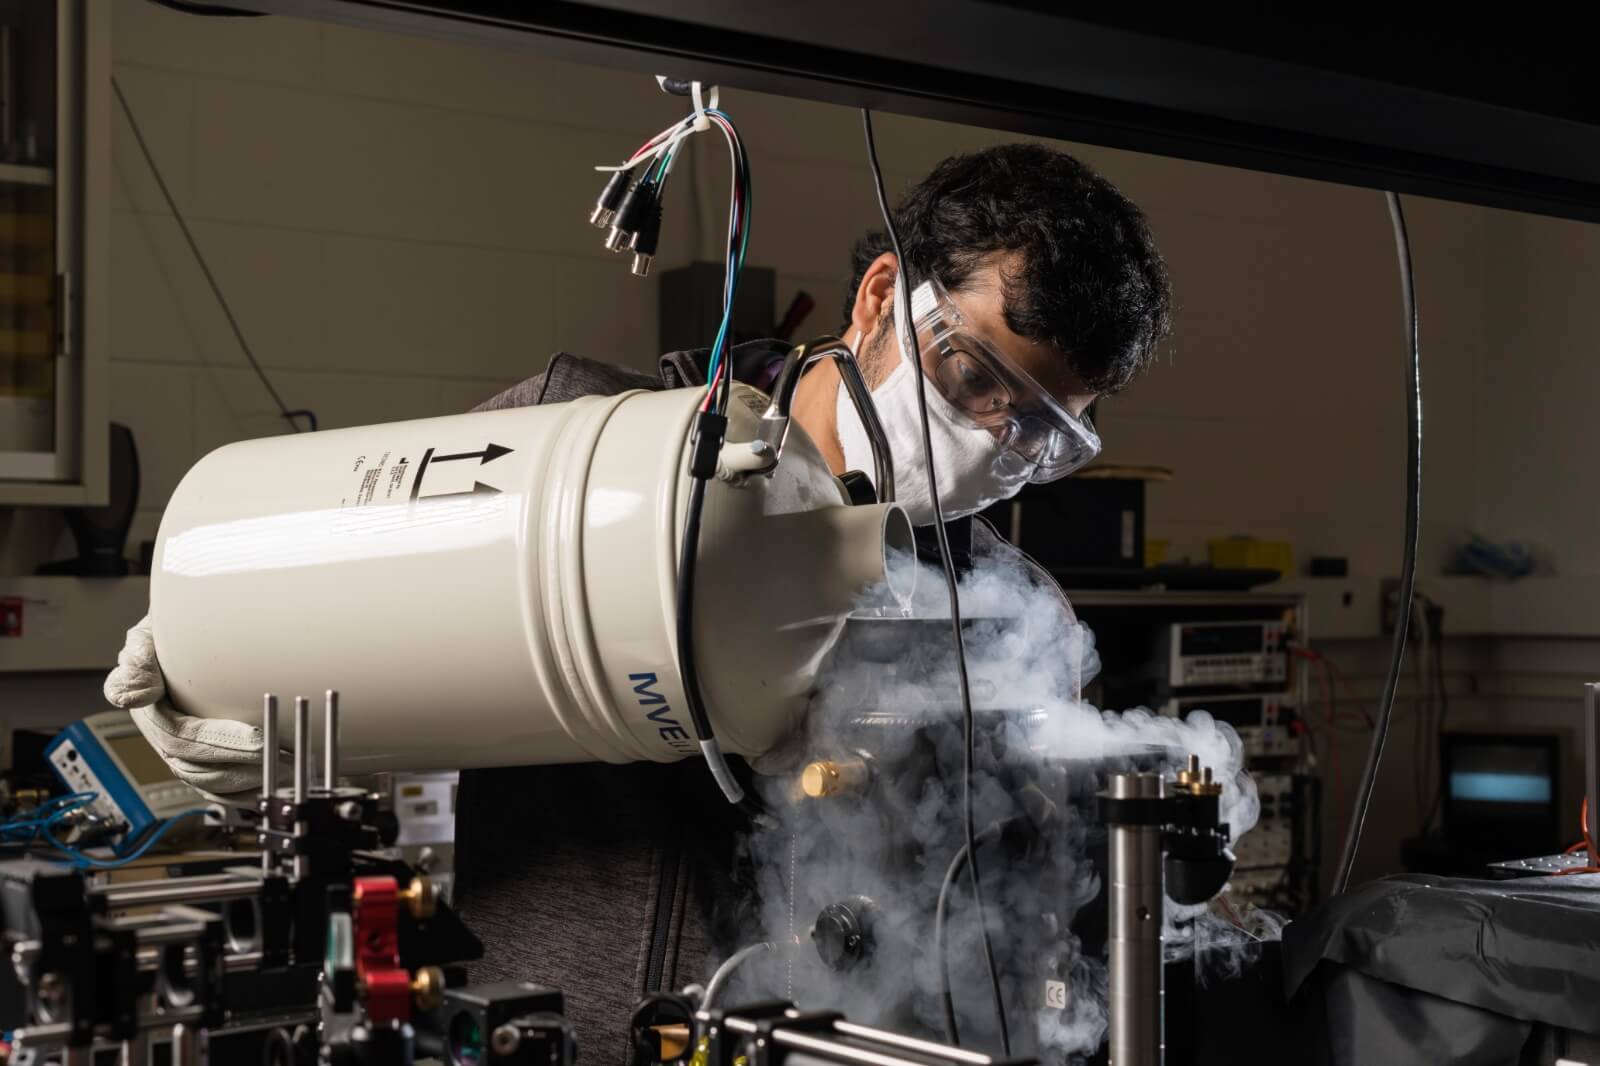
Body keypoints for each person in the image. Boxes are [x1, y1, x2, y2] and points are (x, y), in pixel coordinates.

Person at [104, 143, 1170, 1062]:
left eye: (1041, 433)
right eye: (970, 371)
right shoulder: (573, 443)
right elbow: (332, 630)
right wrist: (245, 729)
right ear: (883, 296)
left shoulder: (1012, 617)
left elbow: (1039, 907)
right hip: (564, 1031)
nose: (992, 434)